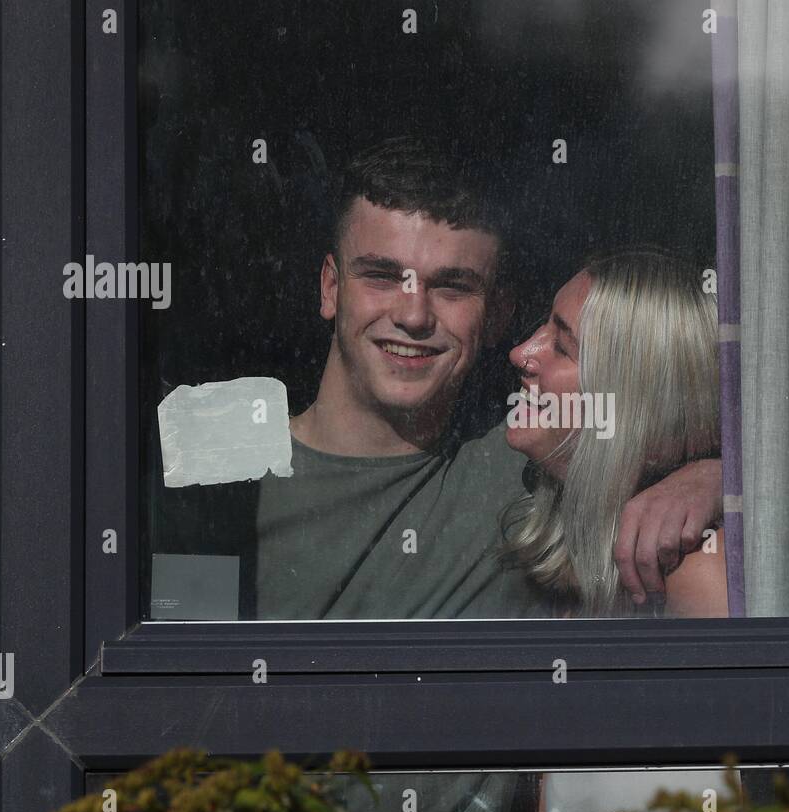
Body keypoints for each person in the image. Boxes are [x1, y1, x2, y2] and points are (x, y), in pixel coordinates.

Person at [155, 137, 721, 620]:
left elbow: (652, 414)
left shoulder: (529, 453)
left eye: (452, 287)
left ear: (497, 313)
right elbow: (181, 690)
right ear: (330, 288)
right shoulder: (216, 451)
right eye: (380, 276)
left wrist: (716, 478)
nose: (413, 315)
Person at [501, 250, 729, 618]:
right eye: (543, 328)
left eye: (562, 347)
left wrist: (728, 479)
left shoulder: (699, 574)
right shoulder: (521, 480)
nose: (520, 353)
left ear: (639, 409)